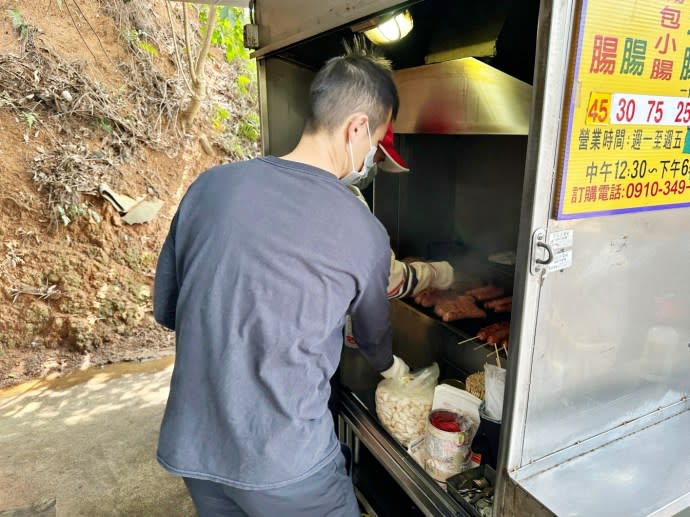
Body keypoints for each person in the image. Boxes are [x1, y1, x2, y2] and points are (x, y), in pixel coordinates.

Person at [153, 44, 409, 516]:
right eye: (375, 140)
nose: (372, 154)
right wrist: (394, 368)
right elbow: (374, 340)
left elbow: (168, 309)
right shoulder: (362, 230)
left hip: (195, 450)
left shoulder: (209, 186)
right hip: (285, 464)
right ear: (357, 128)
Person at [341, 123, 455, 348]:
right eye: (378, 159)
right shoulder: (344, 199)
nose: (373, 167)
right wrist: (439, 273)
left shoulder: (294, 181)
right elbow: (387, 279)